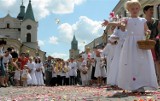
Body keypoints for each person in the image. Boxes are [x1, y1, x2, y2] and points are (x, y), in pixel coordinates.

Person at [111, 0, 158, 93]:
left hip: (141, 43)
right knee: (132, 63)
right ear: (128, 10)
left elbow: (146, 30)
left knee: (142, 63)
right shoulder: (127, 19)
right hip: (131, 45)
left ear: (139, 9)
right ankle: (133, 85)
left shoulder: (142, 20)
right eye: (132, 9)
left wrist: (148, 32)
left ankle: (142, 84)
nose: (135, 10)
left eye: (136, 8)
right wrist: (110, 23)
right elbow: (121, 24)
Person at [143, 4, 160, 84]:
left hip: (156, 43)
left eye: (152, 10)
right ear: (145, 11)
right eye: (150, 10)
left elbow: (159, 32)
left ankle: (159, 79)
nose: (152, 11)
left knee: (157, 61)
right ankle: (149, 80)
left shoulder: (156, 21)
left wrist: (156, 38)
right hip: (146, 44)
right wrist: (147, 39)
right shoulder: (143, 22)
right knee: (147, 62)